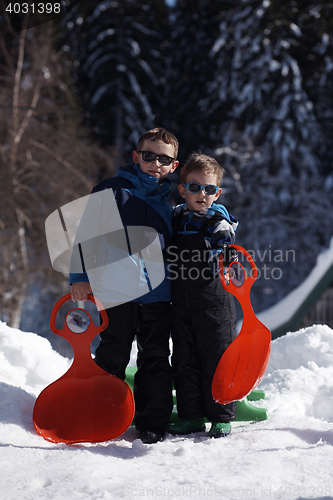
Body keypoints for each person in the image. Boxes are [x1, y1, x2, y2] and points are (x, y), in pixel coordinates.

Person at [69, 127, 179, 444]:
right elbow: (86, 235)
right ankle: (104, 413)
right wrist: (79, 277)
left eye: (164, 159)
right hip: (116, 290)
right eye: (148, 155)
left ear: (173, 165)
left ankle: (152, 422)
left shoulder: (169, 205)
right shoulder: (113, 190)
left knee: (156, 356)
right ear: (136, 156)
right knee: (114, 352)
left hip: (157, 294)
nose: (155, 163)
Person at [167, 152, 238, 438]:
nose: (201, 194)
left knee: (216, 357)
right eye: (195, 187)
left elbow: (225, 241)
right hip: (181, 301)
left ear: (217, 193)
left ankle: (221, 415)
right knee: (184, 359)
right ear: (183, 189)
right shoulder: (177, 216)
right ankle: (191, 416)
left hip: (213, 301)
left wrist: (225, 253)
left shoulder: (216, 221)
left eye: (209, 189)